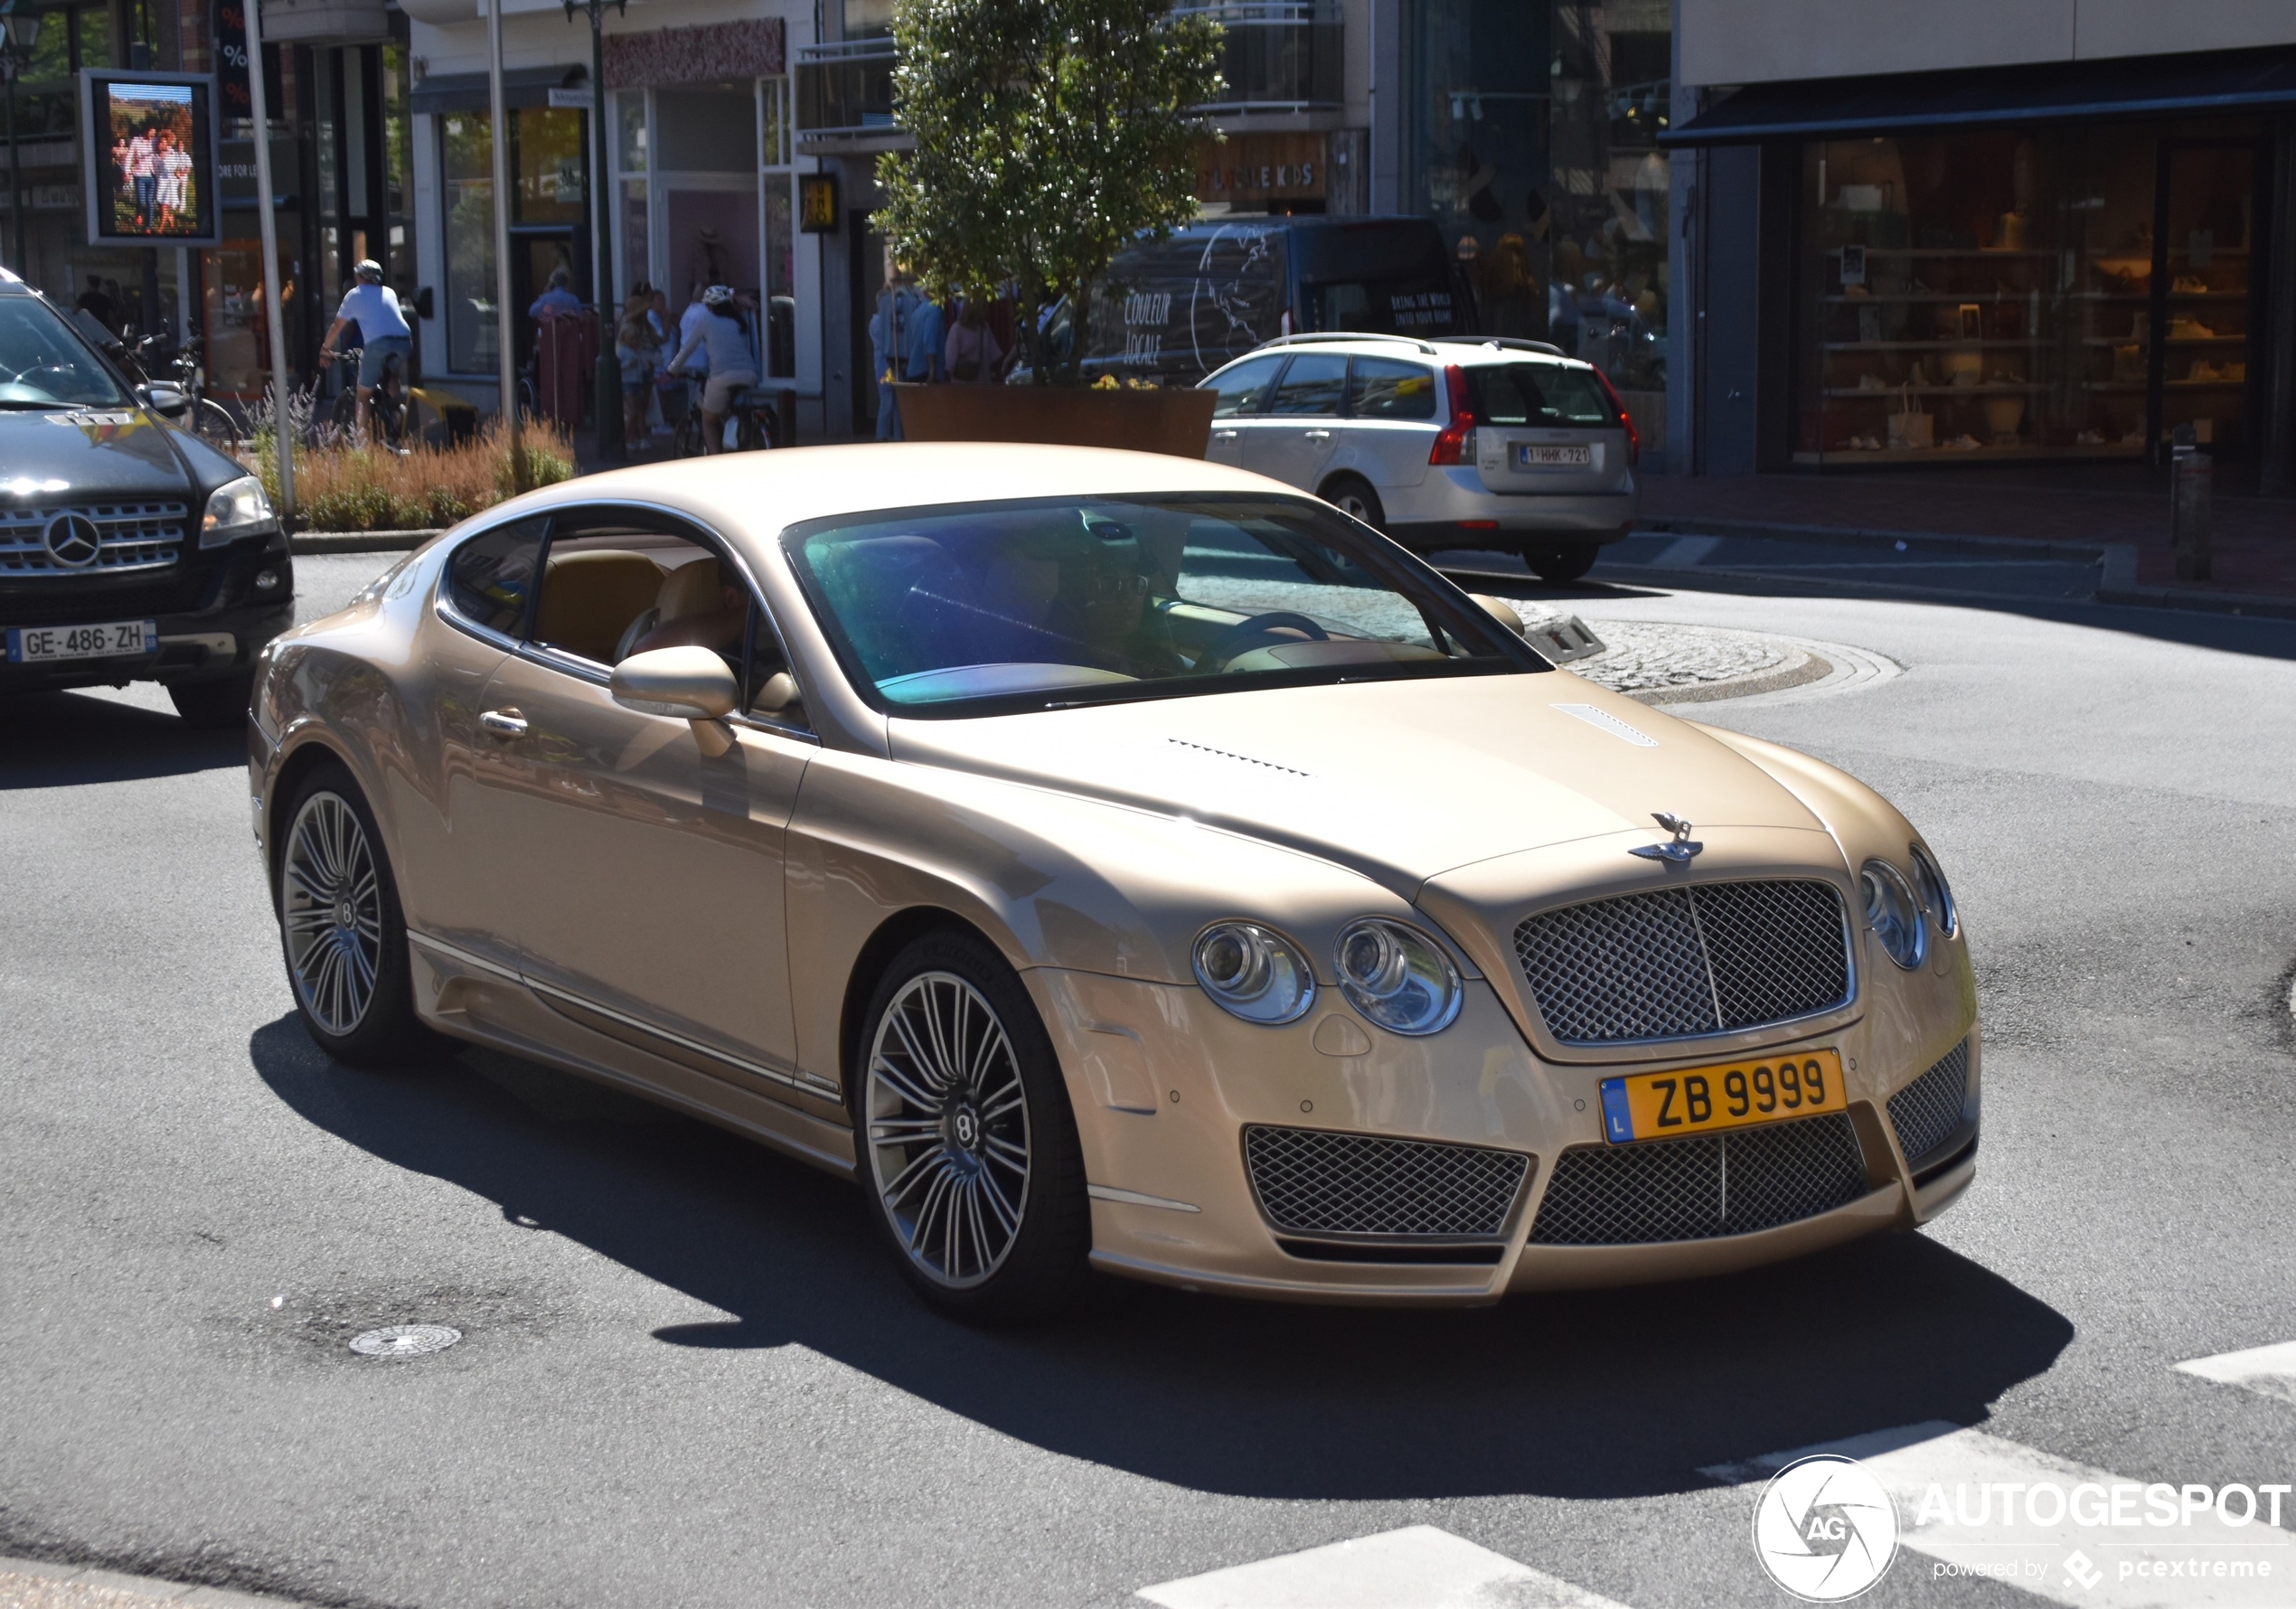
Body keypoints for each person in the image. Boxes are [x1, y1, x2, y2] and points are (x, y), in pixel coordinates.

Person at [317, 259, 414, 442]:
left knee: (363, 395)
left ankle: (362, 444)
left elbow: (338, 325)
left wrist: (325, 349)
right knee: (391, 373)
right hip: (405, 341)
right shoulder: (389, 292)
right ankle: (397, 412)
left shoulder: (355, 294)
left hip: (378, 344)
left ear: (359, 277)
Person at [667, 285, 757, 456]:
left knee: (707, 419)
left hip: (722, 376)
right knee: (729, 409)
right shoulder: (738, 321)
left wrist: (672, 369)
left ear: (708, 305)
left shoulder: (706, 320)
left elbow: (687, 348)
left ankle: (716, 459)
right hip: (749, 374)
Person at [868, 267, 919, 440]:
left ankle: (896, 437)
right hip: (886, 366)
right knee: (889, 403)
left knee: (896, 404)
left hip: (888, 365)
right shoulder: (877, 322)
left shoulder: (879, 322)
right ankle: (882, 437)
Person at [614, 288, 663, 450]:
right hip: (634, 374)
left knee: (642, 406)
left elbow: (656, 340)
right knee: (636, 409)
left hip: (644, 368)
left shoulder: (645, 325)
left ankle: (640, 437)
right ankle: (630, 438)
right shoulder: (629, 329)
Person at [945, 297, 1004, 383]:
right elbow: (995, 356)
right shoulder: (983, 328)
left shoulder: (958, 329)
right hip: (982, 386)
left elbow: (949, 364)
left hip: (963, 387)